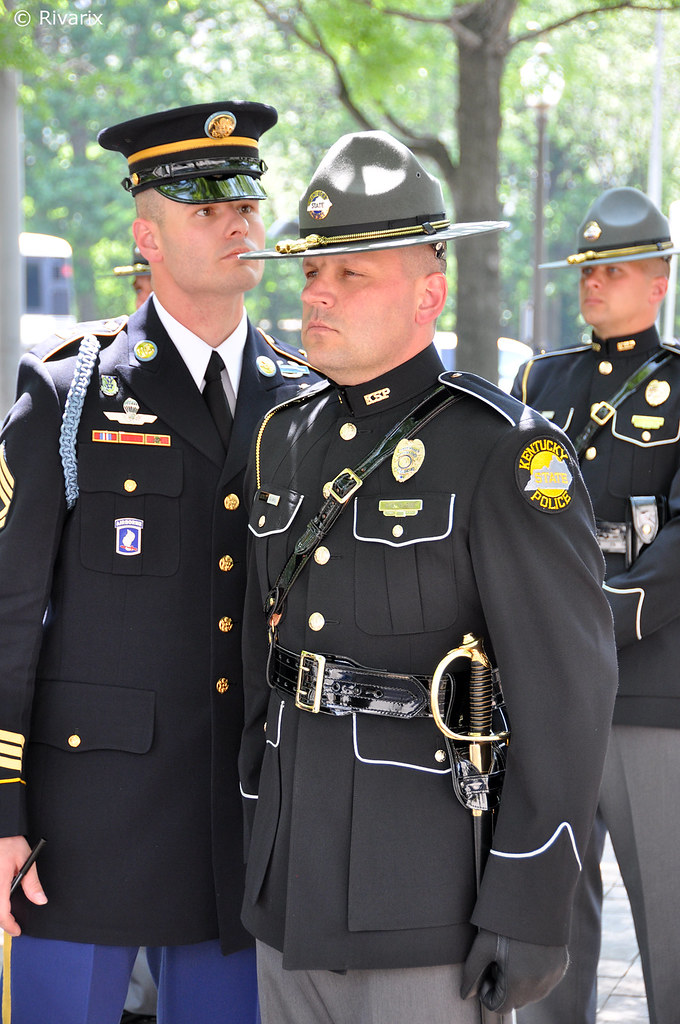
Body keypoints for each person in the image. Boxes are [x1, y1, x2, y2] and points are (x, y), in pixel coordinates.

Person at [235, 130, 619, 1024]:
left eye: (351, 275)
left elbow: (567, 693)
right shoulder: (280, 440)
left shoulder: (506, 451)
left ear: (429, 294)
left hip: (428, 896)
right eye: (311, 275)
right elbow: (262, 659)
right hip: (288, 883)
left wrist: (530, 903)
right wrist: (257, 819)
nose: (316, 295)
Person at [0, 100, 315, 1024]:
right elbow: (7, 617)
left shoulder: (299, 404)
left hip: (239, 831)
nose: (238, 224)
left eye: (247, 205)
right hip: (83, 834)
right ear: (148, 235)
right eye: (205, 210)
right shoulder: (66, 392)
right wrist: (4, 811)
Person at [512, 187, 680, 1024]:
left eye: (611, 269)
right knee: (547, 913)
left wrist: (593, 620)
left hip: (648, 685)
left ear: (658, 279)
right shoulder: (539, 379)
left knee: (669, 918)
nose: (592, 282)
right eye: (586, 268)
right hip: (550, 693)